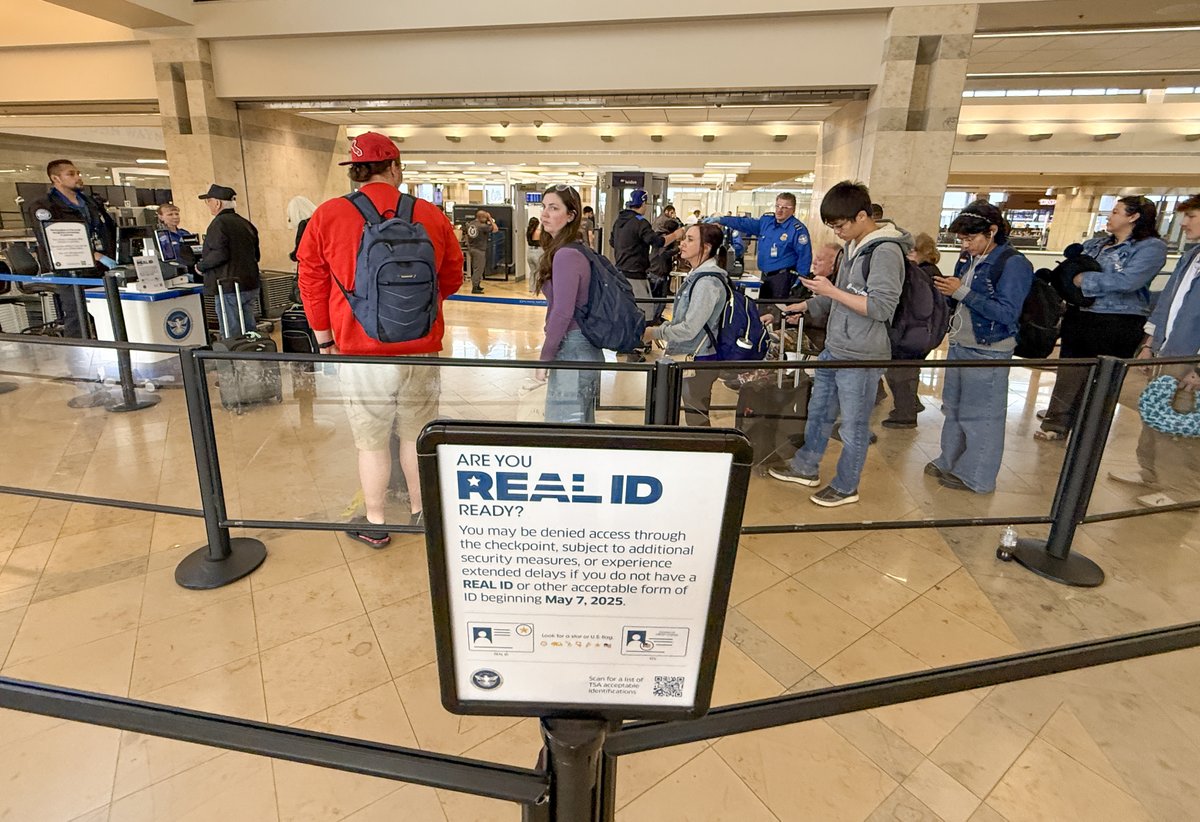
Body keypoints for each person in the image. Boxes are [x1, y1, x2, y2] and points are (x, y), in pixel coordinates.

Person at [297, 131, 462, 545]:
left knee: (370, 441)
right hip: (421, 346)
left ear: (355, 172)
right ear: (394, 167)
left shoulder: (328, 215)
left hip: (359, 347)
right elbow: (453, 278)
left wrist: (324, 338)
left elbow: (311, 282)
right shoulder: (430, 213)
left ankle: (374, 522)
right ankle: (422, 513)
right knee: (415, 434)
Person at [768, 181, 906, 507]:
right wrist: (802, 306)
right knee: (818, 413)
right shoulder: (853, 249)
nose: (837, 232)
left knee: (853, 427)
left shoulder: (885, 251)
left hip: (861, 354)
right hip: (836, 347)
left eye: (840, 225)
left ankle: (846, 486)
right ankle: (805, 467)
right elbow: (839, 298)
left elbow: (880, 308)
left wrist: (830, 291)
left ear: (861, 215)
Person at [1035, 196, 1168, 440]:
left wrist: (1084, 280)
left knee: (1102, 379)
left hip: (1118, 321)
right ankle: (1056, 423)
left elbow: (1129, 281)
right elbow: (1071, 270)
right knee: (1069, 373)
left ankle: (1089, 430)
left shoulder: (1151, 247)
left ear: (1133, 216)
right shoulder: (1095, 244)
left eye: (1116, 211)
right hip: (1080, 315)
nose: (1109, 216)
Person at [928, 201, 1034, 494]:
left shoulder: (1013, 263)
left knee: (982, 416)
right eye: (962, 240)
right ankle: (949, 460)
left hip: (989, 348)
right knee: (954, 409)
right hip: (961, 343)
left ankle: (977, 475)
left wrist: (960, 291)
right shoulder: (968, 259)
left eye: (971, 238)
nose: (966, 245)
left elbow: (1006, 312)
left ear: (992, 231)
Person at [1109, 194, 1200, 506]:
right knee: (1154, 411)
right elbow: (1168, 305)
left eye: (1192, 217)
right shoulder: (1192, 256)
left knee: (1181, 420)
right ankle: (1150, 472)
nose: (1184, 224)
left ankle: (1182, 489)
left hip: (1190, 358)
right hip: (1168, 350)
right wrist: (1149, 345)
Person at [645, 222, 729, 426]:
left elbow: (690, 328)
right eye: (685, 238)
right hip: (691, 356)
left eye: (690, 240)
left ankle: (705, 454)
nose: (682, 244)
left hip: (698, 359)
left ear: (706, 247)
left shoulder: (707, 283)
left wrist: (655, 332)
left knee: (697, 418)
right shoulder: (698, 276)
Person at [535, 185, 603, 423]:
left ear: (571, 215)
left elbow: (562, 313)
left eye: (554, 208)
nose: (545, 214)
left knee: (564, 431)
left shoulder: (566, 255)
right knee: (580, 428)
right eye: (544, 207)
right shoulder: (576, 249)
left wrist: (545, 358)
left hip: (573, 351)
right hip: (584, 349)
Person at [27, 159, 116, 338]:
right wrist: (95, 255)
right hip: (69, 268)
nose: (78, 177)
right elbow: (53, 239)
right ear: (55, 178)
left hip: (98, 268)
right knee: (77, 316)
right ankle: (77, 359)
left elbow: (106, 229)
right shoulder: (44, 205)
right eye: (71, 174)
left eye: (78, 173)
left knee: (106, 314)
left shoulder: (89, 202)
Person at [883, 232, 941, 429]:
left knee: (900, 371)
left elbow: (917, 306)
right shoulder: (932, 271)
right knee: (907, 370)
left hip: (913, 330)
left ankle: (905, 413)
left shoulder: (920, 273)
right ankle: (911, 405)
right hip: (922, 331)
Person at [717, 193, 812, 300]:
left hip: (783, 278)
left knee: (776, 312)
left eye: (785, 208)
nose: (779, 210)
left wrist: (799, 283)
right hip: (765, 276)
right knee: (764, 311)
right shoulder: (767, 222)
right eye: (778, 206)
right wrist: (721, 220)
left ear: (793, 210)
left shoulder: (797, 230)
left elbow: (804, 258)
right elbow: (743, 223)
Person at [612, 189, 685, 327]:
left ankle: (626, 340)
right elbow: (658, 242)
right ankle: (640, 341)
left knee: (626, 309)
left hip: (620, 272)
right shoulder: (641, 222)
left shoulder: (619, 221)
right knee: (645, 311)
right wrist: (676, 235)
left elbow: (612, 241)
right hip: (636, 273)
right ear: (643, 203)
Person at [196, 184, 262, 338]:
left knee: (231, 331)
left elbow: (220, 253)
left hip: (228, 285)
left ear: (217, 203)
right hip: (249, 283)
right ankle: (253, 356)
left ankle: (235, 359)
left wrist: (201, 266)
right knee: (249, 329)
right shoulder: (246, 223)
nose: (209, 206)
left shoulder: (219, 224)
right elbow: (256, 255)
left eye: (209, 201)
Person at [464, 209, 496, 294]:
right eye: (485, 217)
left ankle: (477, 284)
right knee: (479, 269)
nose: (486, 219)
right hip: (479, 249)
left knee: (475, 268)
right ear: (481, 217)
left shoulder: (470, 224)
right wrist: (490, 219)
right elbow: (495, 229)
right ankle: (475, 287)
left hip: (472, 248)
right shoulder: (482, 226)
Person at [287, 196, 317, 263]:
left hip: (309, 265)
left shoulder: (304, 224)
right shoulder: (318, 221)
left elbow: (300, 248)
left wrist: (292, 256)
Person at [525, 216, 543, 294]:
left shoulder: (527, 232)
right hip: (538, 252)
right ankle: (538, 288)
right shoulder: (539, 232)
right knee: (539, 271)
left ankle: (531, 288)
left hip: (529, 252)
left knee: (532, 271)